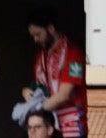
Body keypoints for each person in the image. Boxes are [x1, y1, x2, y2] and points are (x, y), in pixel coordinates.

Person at [22, 9, 86, 138]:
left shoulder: (74, 54)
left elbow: (65, 94)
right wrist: (26, 92)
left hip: (72, 123)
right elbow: (40, 91)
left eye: (38, 34)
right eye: (33, 36)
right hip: (50, 123)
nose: (35, 39)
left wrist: (37, 109)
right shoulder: (40, 58)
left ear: (51, 29)